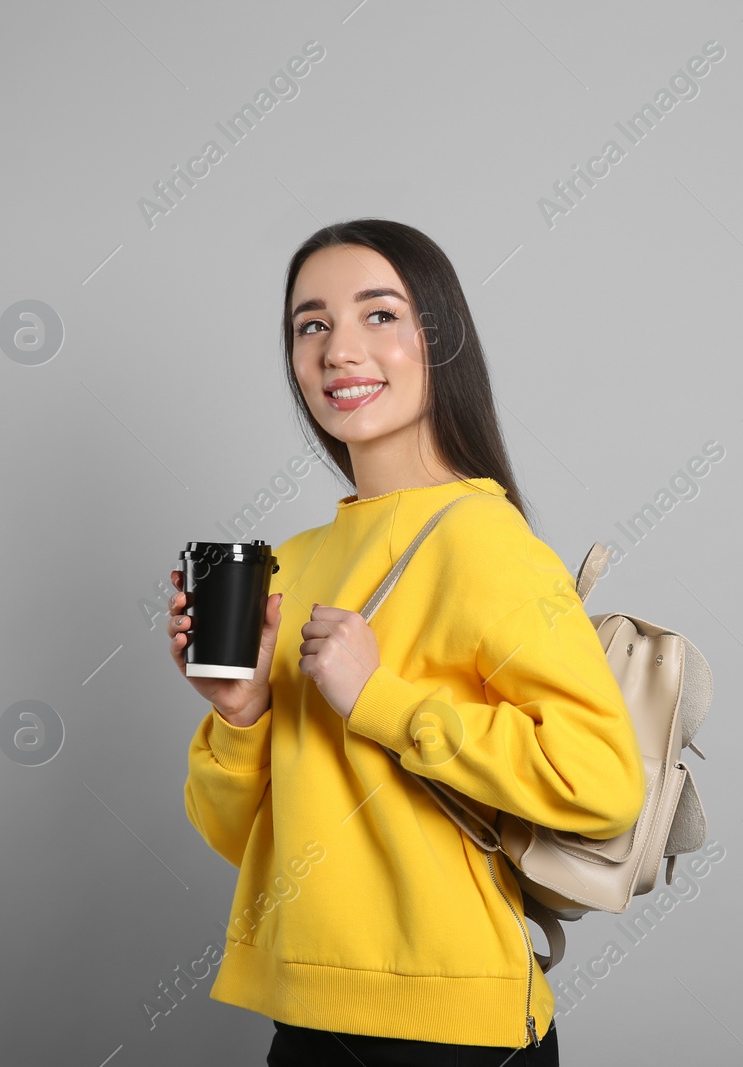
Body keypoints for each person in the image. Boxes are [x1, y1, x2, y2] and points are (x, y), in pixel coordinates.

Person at [167, 219, 646, 1065]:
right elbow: (245, 840)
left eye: (379, 314)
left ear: (441, 339)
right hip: (305, 1010)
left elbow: (603, 783)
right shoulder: (300, 561)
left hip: (449, 1029)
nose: (339, 348)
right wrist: (241, 716)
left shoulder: (482, 540)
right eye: (311, 325)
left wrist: (380, 699)